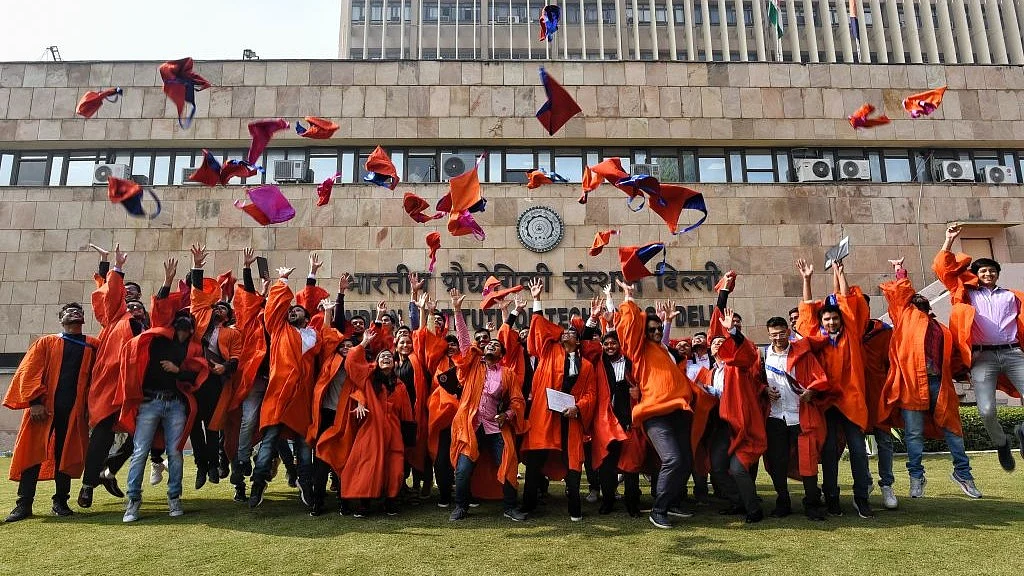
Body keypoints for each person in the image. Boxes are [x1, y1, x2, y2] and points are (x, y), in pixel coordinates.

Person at [879, 257, 981, 499]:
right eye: (914, 302)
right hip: (912, 383)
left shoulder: (941, 330)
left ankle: (963, 474)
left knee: (953, 430)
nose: (918, 303)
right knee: (914, 434)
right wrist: (899, 271)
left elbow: (954, 358)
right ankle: (916, 477)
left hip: (938, 383)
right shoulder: (904, 319)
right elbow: (902, 293)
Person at [119, 258, 209, 522]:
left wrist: (177, 370)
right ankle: (133, 502)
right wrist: (167, 283)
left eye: (187, 325)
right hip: (150, 402)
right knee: (140, 451)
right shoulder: (160, 337)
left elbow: (196, 372)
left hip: (175, 404)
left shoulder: (192, 348)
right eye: (179, 323)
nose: (183, 327)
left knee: (175, 452)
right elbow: (159, 309)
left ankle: (174, 498)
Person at [934, 223, 1024, 471]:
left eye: (992, 271)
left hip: (1013, 353)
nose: (988, 274)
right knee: (985, 410)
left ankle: (1022, 432)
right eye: (983, 271)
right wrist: (949, 241)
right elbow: (943, 269)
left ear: (997, 274)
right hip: (982, 357)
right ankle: (1001, 442)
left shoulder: (1012, 296)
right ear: (976, 274)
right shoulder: (966, 294)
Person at [4, 303, 99, 522]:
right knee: (31, 455)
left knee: (65, 455)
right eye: (69, 312)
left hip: (75, 412)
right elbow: (30, 372)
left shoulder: (93, 345)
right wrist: (35, 402)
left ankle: (61, 502)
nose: (75, 314)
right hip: (43, 410)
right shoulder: (46, 343)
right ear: (61, 319)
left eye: (79, 312)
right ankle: (24, 504)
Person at [795, 258, 874, 519]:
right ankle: (831, 497)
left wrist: (840, 274)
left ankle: (861, 498)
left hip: (851, 399)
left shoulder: (851, 333)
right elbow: (807, 311)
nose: (831, 322)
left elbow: (846, 301)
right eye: (827, 319)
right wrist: (806, 279)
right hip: (825, 402)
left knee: (858, 450)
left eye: (834, 319)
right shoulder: (815, 338)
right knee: (828, 451)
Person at [615, 278, 696, 529]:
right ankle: (659, 510)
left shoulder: (665, 350)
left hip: (680, 412)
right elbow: (629, 330)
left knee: (686, 461)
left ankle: (671, 503)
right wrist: (629, 298)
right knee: (672, 459)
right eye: (651, 330)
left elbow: (664, 339)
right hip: (655, 414)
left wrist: (667, 322)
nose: (656, 333)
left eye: (659, 329)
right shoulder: (638, 351)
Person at [248, 258, 323, 509]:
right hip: (278, 395)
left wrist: (312, 273)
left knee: (304, 446)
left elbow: (311, 302)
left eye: (297, 310)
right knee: (269, 444)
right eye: (290, 310)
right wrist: (282, 281)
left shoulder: (314, 335)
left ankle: (306, 486)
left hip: (302, 397)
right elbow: (273, 308)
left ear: (307, 315)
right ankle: (258, 484)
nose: (292, 310)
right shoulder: (279, 329)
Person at [447, 289, 527, 521]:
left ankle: (510, 507)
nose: (490, 346)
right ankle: (461, 507)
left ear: (502, 353)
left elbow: (517, 400)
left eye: (495, 345)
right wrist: (457, 310)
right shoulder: (473, 366)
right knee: (463, 470)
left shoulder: (507, 373)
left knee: (508, 463)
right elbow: (463, 341)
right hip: (470, 426)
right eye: (488, 345)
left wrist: (509, 414)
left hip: (494, 426)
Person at [519, 280, 596, 521]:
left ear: (579, 339)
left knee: (573, 465)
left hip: (569, 419)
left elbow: (590, 394)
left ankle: (575, 508)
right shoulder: (548, 351)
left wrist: (578, 408)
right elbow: (540, 327)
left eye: (572, 332)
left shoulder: (586, 365)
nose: (566, 333)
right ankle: (528, 506)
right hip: (545, 417)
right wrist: (537, 299)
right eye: (564, 332)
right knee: (534, 465)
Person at [79, 244, 139, 508]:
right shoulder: (117, 316)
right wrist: (113, 267)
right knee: (102, 432)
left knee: (143, 434)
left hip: (134, 387)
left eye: (137, 298)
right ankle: (88, 485)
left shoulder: (145, 322)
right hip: (109, 383)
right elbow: (109, 292)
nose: (132, 300)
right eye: (129, 296)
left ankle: (110, 468)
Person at [760, 316, 833, 521]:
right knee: (777, 462)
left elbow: (820, 379)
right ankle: (782, 502)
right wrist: (764, 390)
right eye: (774, 334)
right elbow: (755, 381)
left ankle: (812, 503)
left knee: (807, 460)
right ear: (768, 334)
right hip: (775, 416)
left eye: (782, 333)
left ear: (788, 332)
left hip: (800, 415)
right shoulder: (763, 355)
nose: (778, 337)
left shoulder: (803, 354)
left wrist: (812, 391)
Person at [340, 329, 415, 517]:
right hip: (371, 431)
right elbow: (351, 362)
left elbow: (406, 413)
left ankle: (390, 503)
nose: (386, 358)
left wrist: (408, 438)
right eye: (382, 356)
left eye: (389, 356)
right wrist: (364, 342)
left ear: (394, 361)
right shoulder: (368, 379)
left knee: (395, 470)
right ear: (376, 362)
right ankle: (364, 505)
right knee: (367, 467)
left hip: (394, 433)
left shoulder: (400, 385)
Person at [187, 244, 242, 490]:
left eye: (224, 308)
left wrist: (225, 368)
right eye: (217, 306)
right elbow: (197, 294)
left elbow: (237, 356)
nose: (219, 309)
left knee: (211, 425)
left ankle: (212, 465)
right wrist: (198, 266)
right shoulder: (199, 317)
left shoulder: (232, 333)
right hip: (192, 378)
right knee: (193, 424)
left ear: (228, 315)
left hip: (215, 381)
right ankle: (201, 464)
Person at [580, 298, 642, 517]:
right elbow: (586, 344)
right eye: (606, 344)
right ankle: (607, 501)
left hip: (628, 420)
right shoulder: (597, 362)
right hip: (605, 422)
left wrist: (639, 393)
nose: (609, 346)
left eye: (613, 343)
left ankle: (632, 504)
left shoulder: (631, 361)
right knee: (606, 465)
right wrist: (593, 318)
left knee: (630, 465)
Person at [229, 247, 272, 502]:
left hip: (274, 382)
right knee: (248, 419)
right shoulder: (249, 323)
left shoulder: (279, 325)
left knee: (272, 427)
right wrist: (247, 269)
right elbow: (246, 298)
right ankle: (243, 459)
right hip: (254, 381)